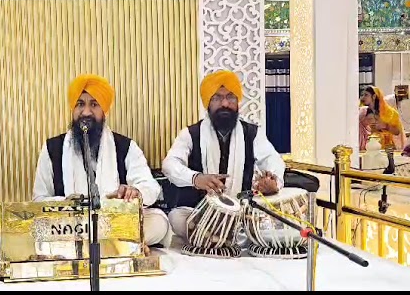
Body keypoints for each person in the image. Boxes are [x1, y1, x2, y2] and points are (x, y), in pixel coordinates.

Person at [32, 74, 172, 248]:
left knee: (159, 222)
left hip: (114, 221)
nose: (86, 112)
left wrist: (134, 192)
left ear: (104, 110)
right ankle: (120, 245)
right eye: (80, 104)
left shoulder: (125, 146)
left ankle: (102, 242)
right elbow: (39, 199)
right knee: (35, 225)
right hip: (70, 225)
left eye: (94, 104)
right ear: (72, 109)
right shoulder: (52, 148)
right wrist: (69, 204)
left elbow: (151, 187)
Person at [162, 70, 286, 241]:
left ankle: (213, 239)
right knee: (176, 217)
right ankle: (217, 237)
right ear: (208, 103)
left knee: (272, 218)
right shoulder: (191, 134)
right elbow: (169, 165)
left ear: (237, 101)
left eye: (231, 97)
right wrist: (196, 178)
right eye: (217, 98)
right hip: (201, 214)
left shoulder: (253, 134)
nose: (225, 104)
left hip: (243, 214)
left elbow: (273, 160)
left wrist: (273, 182)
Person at [359, 86, 406, 151]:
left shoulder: (390, 113)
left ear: (374, 96)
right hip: (368, 147)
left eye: (366, 95)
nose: (363, 98)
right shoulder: (362, 113)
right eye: (362, 95)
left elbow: (397, 132)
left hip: (386, 148)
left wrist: (385, 126)